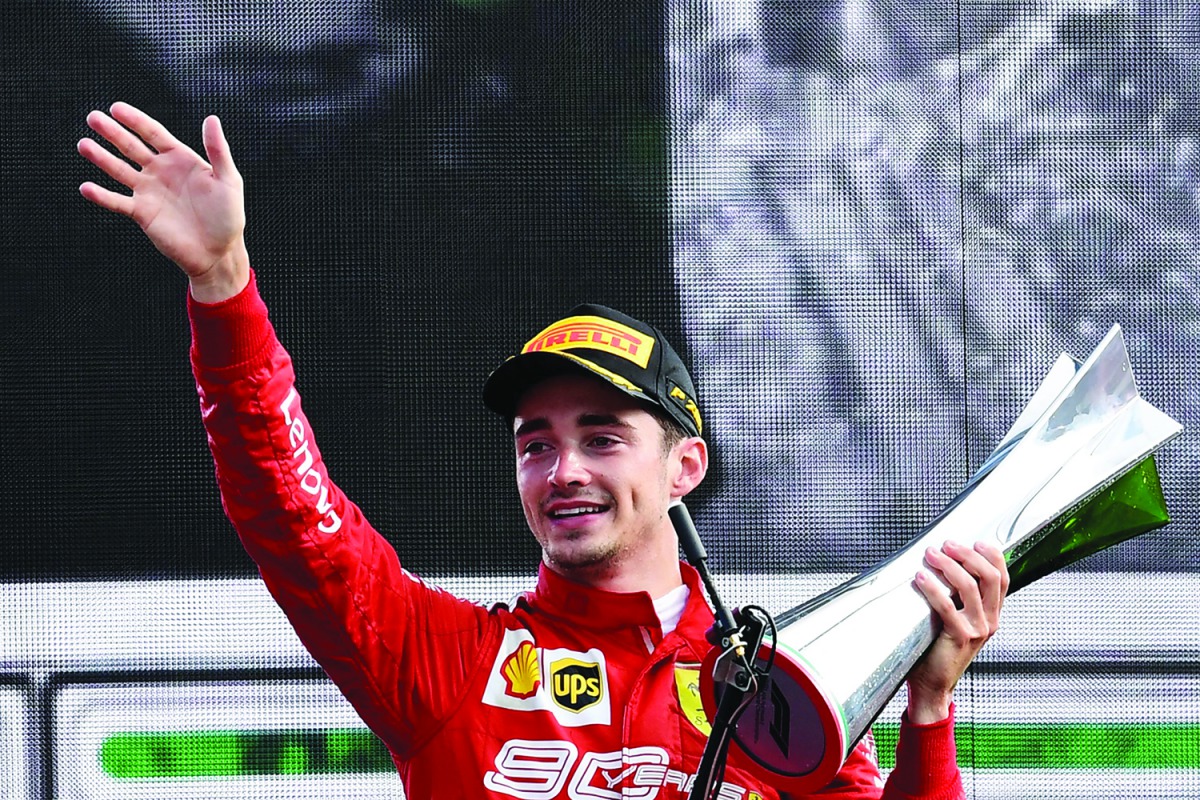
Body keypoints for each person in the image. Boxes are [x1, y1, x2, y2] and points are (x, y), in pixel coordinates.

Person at [78, 102, 1009, 799]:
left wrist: (928, 714)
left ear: (684, 466)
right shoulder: (447, 667)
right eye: (536, 443)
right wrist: (225, 284)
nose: (563, 470)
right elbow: (294, 517)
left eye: (602, 437)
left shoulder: (779, 693)